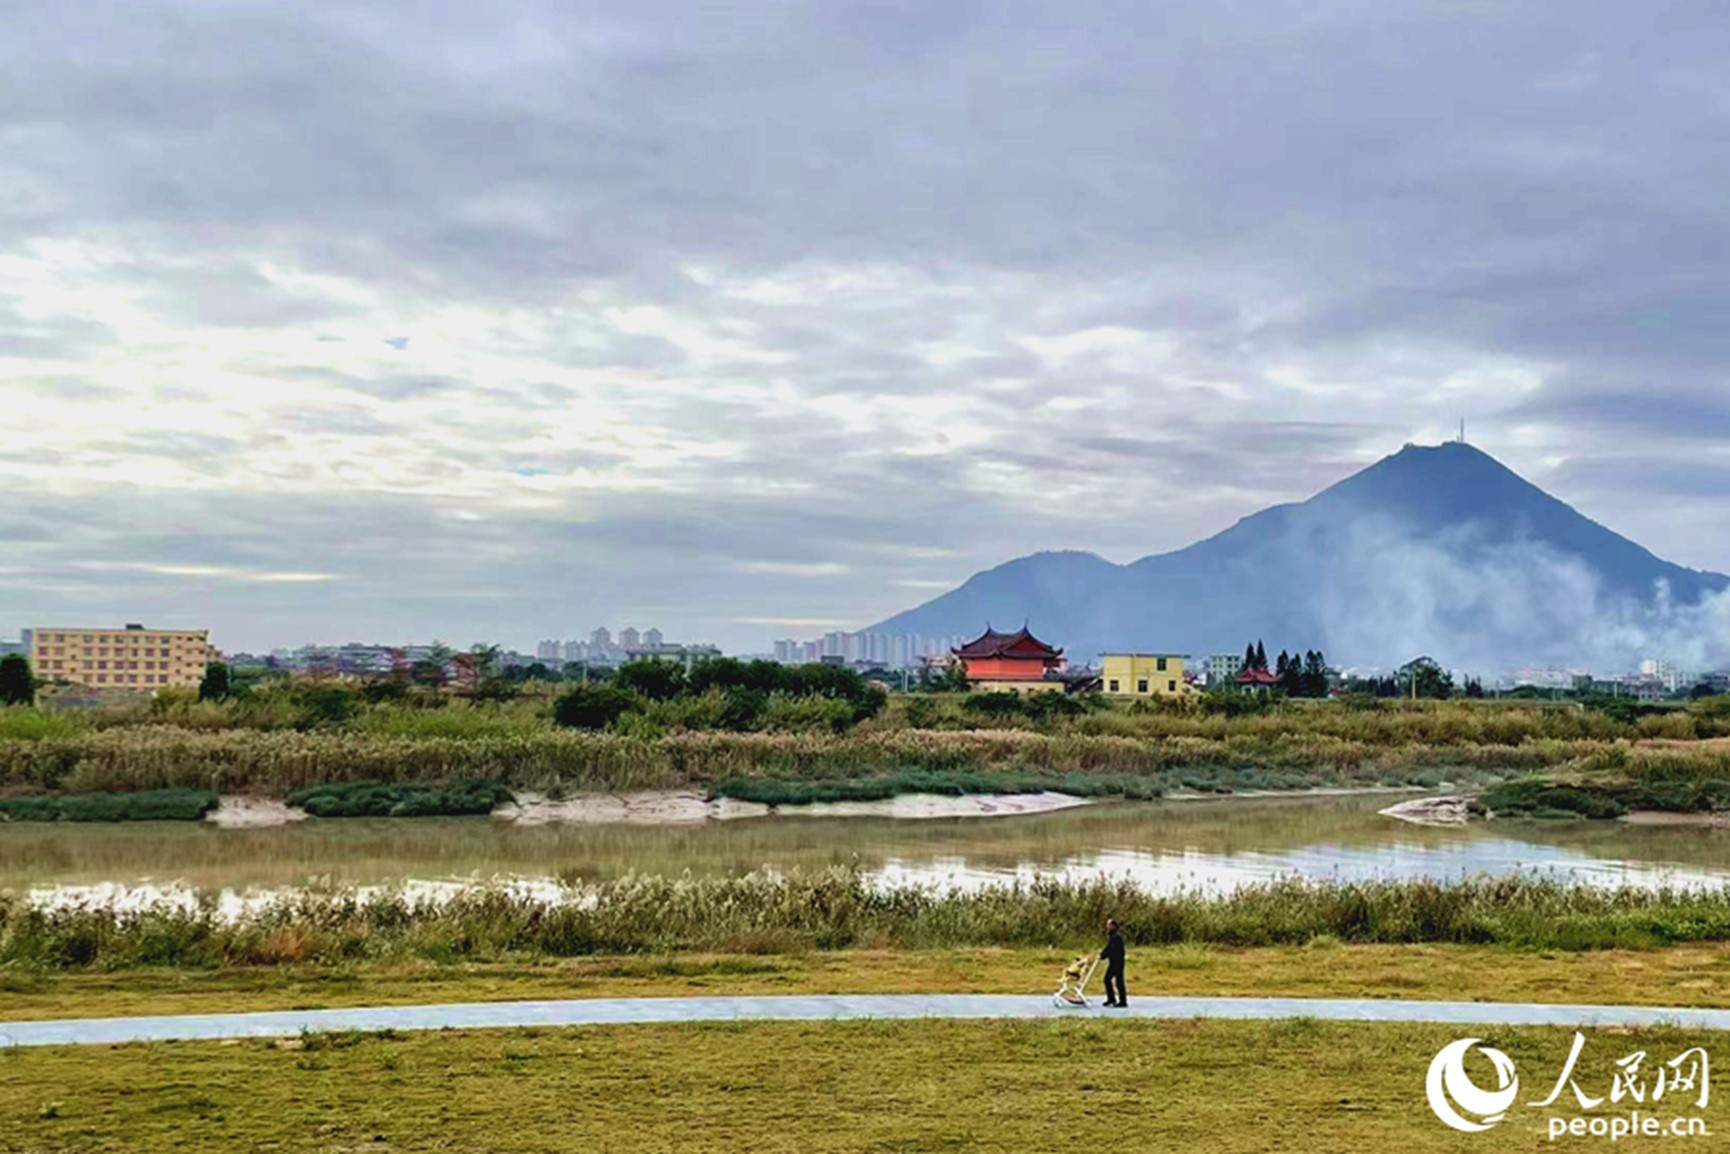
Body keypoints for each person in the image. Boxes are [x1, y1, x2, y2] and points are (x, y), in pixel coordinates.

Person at [1099, 917, 1127, 1008]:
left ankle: (1121, 1001)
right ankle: (1112, 999)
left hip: (1117, 962)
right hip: (1114, 962)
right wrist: (1102, 954)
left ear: (1114, 926)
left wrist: (1104, 955)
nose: (1107, 926)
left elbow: (1112, 950)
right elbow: (1108, 948)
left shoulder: (1117, 937)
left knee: (1114, 981)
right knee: (1110, 980)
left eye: (1109, 925)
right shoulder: (1112, 937)